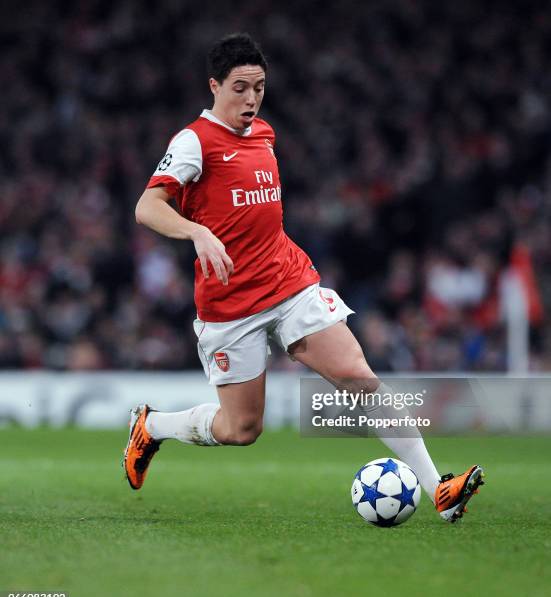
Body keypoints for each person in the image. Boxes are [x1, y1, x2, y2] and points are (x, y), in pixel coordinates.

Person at [123, 33, 484, 522]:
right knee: (241, 428)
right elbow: (147, 207)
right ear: (214, 86)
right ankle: (152, 427)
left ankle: (438, 488)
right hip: (231, 304)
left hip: (289, 282)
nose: (251, 99)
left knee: (358, 376)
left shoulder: (266, 134)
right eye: (240, 88)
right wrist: (197, 234)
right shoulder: (194, 142)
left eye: (259, 87)